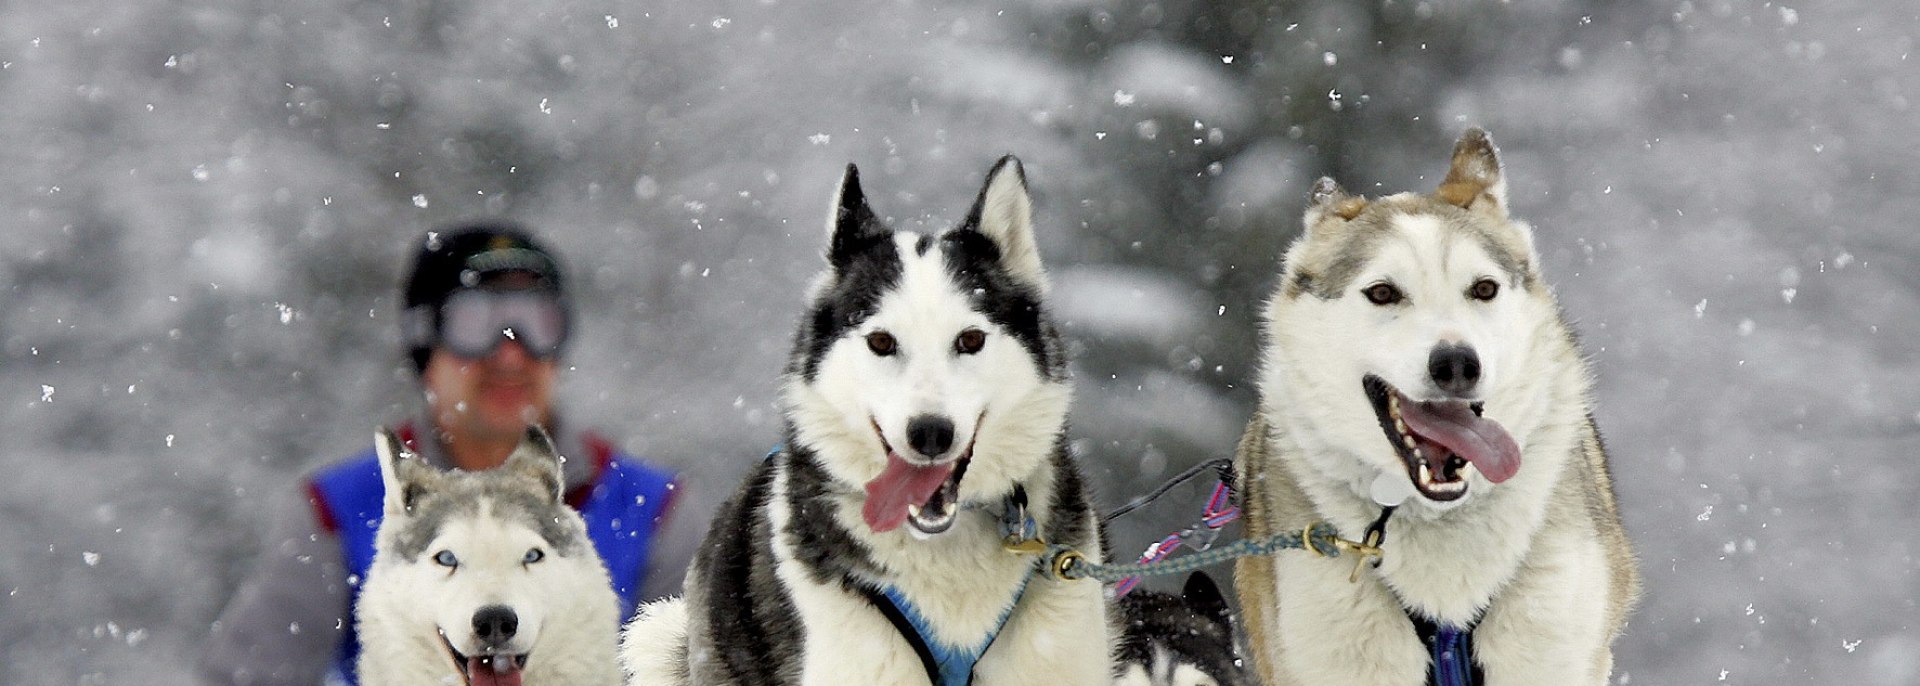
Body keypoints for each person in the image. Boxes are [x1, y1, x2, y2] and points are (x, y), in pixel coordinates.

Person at [200, 224, 704, 686]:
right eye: (474, 322)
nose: (510, 354)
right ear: (424, 344)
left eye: (536, 322)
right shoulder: (337, 509)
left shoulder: (654, 509)